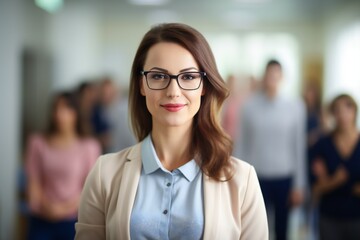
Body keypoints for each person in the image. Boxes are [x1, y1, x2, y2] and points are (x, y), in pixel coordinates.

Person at [75, 23, 268, 240]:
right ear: (142, 84)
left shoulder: (242, 180)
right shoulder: (104, 174)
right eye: (158, 76)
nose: (173, 91)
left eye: (188, 77)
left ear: (204, 85)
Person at [234, 60, 306, 240]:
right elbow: (242, 143)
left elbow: (298, 146)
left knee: (282, 228)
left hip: (285, 176)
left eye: (276, 75)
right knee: (255, 228)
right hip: (257, 176)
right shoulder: (249, 106)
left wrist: (299, 184)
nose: (272, 79)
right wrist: (237, 180)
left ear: (282, 77)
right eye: (269, 75)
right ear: (264, 77)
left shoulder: (295, 106)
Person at [25, 92, 101, 240]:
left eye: (66, 108)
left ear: (76, 113)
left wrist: (63, 210)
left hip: (75, 219)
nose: (60, 114)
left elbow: (89, 188)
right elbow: (33, 181)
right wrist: (47, 208)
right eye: (56, 108)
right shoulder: (37, 142)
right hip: (42, 216)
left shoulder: (89, 147)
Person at [310, 94, 360, 240]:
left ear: (355, 112)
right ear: (333, 114)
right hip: (329, 217)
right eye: (338, 110)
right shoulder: (322, 145)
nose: (343, 115)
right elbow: (315, 189)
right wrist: (334, 181)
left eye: (347, 109)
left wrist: (329, 180)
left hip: (357, 218)